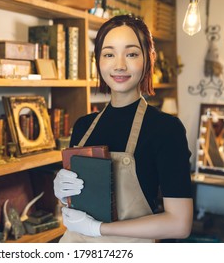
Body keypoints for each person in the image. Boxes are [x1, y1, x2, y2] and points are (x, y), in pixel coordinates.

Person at [54, 14, 193, 243]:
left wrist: (99, 229)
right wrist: (60, 191)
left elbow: (179, 224)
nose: (119, 65)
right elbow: (76, 206)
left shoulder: (166, 130)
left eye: (131, 54)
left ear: (148, 59)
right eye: (109, 54)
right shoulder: (83, 126)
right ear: (98, 60)